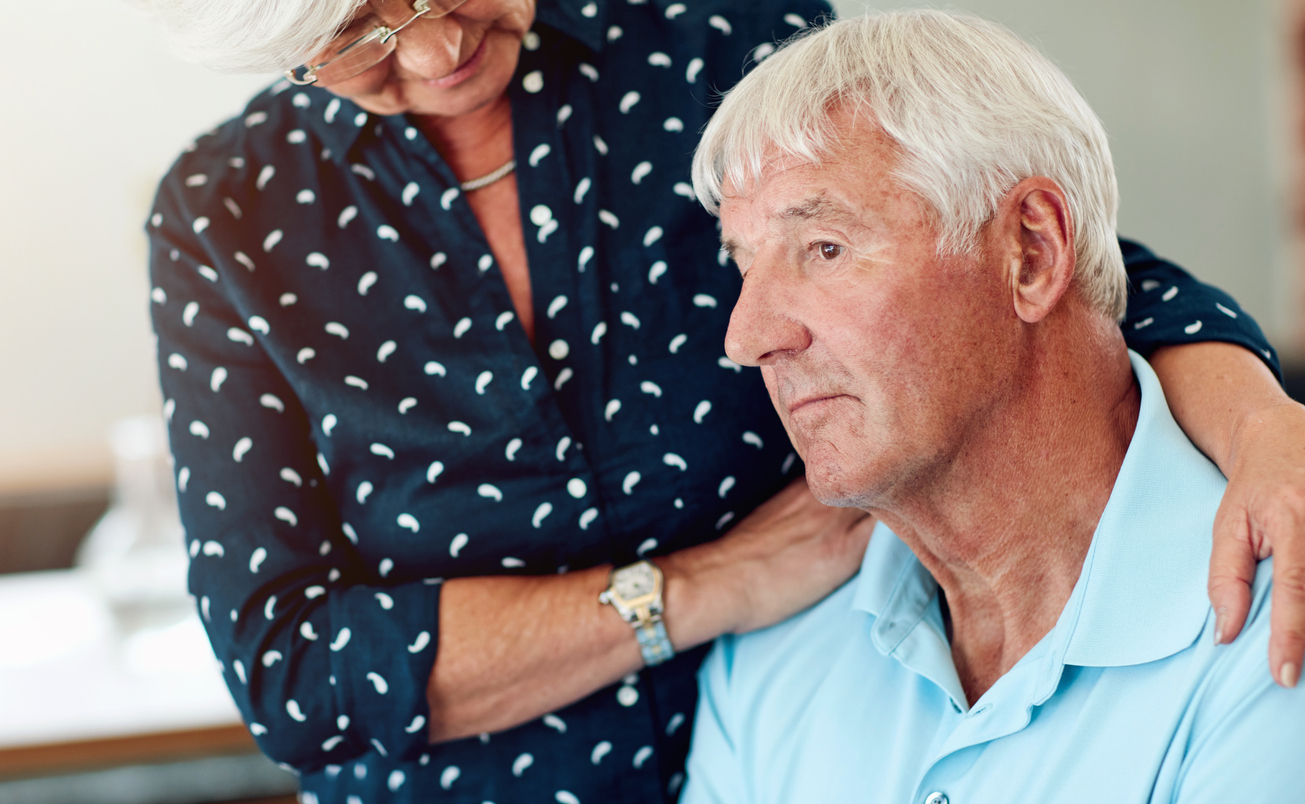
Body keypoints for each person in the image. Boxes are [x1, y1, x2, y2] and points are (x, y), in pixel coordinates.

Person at [144, 0, 1305, 801]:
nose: (442, 42)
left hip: (860, 717)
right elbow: (295, 669)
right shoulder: (228, 214)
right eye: (358, 33)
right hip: (755, 713)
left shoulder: (703, 41)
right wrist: (705, 589)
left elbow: (1018, 244)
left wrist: (1265, 423)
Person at [682, 11, 1305, 803]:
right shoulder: (769, 661)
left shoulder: (1272, 624)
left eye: (824, 249)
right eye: (744, 265)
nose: (747, 336)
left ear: (1031, 253)